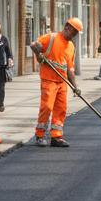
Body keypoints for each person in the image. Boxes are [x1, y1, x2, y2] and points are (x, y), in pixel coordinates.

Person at [30, 18, 83, 147]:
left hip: (62, 82)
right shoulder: (51, 38)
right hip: (48, 80)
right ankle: (40, 135)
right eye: (74, 32)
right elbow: (34, 45)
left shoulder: (71, 47)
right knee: (47, 107)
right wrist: (39, 54)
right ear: (67, 27)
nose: (74, 35)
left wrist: (75, 86)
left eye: (76, 33)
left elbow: (70, 69)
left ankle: (56, 137)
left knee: (61, 109)